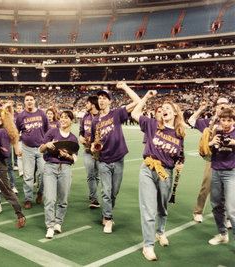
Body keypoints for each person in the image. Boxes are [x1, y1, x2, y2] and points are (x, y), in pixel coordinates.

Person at [131, 90, 185, 261]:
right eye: (163, 108)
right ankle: (148, 246)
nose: (165, 110)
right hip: (148, 168)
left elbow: (179, 154)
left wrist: (180, 162)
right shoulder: (152, 124)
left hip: (166, 172)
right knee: (148, 209)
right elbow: (135, 113)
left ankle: (160, 232)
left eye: (168, 108)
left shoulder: (179, 134)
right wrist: (146, 97)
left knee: (162, 207)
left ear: (175, 112)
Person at [90, 82, 140, 234]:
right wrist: (93, 146)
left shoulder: (116, 114)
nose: (101, 100)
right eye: (99, 98)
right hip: (103, 160)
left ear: (110, 101)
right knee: (106, 191)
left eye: (105, 98)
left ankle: (107, 212)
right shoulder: (94, 120)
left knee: (114, 192)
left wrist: (124, 87)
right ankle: (108, 218)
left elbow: (137, 101)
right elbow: (93, 141)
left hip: (118, 158)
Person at [188, 98, 232, 226]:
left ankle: (228, 217)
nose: (223, 106)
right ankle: (198, 211)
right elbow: (191, 121)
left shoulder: (232, 121)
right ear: (215, 107)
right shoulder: (209, 122)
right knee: (206, 185)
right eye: (220, 104)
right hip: (214, 158)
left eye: (225, 103)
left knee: (229, 189)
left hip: (230, 158)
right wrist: (201, 109)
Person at [40, 110, 78, 239]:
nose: (63, 120)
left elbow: (74, 159)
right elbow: (41, 149)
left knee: (63, 199)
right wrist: (47, 145)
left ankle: (58, 222)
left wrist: (66, 155)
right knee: (50, 199)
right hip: (50, 167)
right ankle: (50, 226)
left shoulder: (73, 138)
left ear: (71, 120)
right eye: (61, 117)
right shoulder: (52, 132)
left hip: (65, 168)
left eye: (66, 118)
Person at [207, 107, 235, 246]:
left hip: (231, 172)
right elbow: (204, 148)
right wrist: (212, 143)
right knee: (216, 205)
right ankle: (223, 234)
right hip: (216, 171)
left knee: (231, 209)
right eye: (223, 120)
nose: (225, 123)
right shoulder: (216, 131)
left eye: (229, 120)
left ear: (233, 121)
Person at [16, 91, 49, 209]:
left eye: (31, 99)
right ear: (24, 102)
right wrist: (16, 147)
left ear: (35, 101)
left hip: (41, 148)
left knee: (43, 174)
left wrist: (46, 144)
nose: (29, 102)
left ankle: (40, 193)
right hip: (27, 149)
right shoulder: (21, 116)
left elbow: (47, 130)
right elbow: (16, 133)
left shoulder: (42, 114)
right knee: (28, 176)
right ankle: (28, 198)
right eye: (27, 100)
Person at [79, 95, 100, 209]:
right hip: (87, 149)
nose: (85, 105)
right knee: (90, 174)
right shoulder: (85, 116)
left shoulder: (102, 116)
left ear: (92, 105)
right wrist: (80, 137)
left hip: (98, 150)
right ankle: (94, 198)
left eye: (87, 103)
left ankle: (93, 194)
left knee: (97, 176)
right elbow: (81, 131)